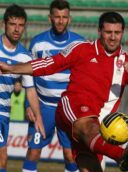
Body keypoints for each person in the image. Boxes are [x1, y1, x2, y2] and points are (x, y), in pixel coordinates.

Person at [0, 11, 128, 172]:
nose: (113, 37)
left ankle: (120, 155)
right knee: (85, 126)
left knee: (89, 165)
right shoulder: (82, 49)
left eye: (117, 33)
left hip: (100, 124)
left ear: (122, 33)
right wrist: (11, 68)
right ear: (99, 31)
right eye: (108, 32)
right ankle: (122, 154)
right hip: (72, 107)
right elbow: (49, 64)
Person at [22, 1, 84, 172]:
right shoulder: (37, 43)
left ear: (69, 19)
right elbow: (29, 74)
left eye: (64, 17)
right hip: (43, 107)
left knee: (70, 155)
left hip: (68, 109)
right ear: (50, 18)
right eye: (57, 16)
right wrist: (29, 105)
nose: (60, 21)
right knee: (33, 152)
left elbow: (85, 77)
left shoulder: (80, 44)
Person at [0, 4, 45, 172]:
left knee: (2, 160)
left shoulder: (25, 57)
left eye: (20, 25)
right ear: (4, 24)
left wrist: (38, 116)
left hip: (3, 112)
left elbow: (31, 90)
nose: (17, 29)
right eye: (13, 24)